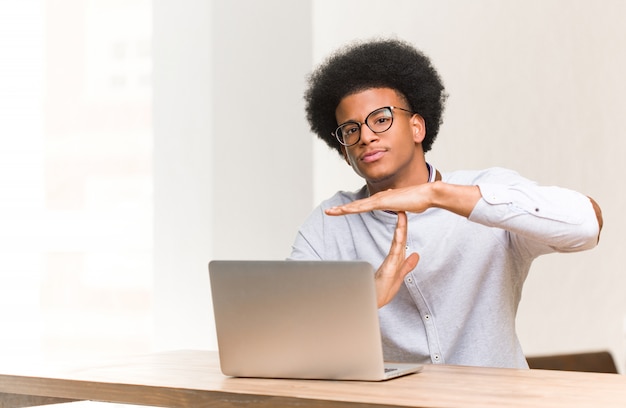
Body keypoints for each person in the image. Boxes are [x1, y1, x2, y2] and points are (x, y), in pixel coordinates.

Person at [289, 38, 603, 369]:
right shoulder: (330, 222)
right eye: (351, 129)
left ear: (417, 127)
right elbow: (285, 326)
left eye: (380, 119)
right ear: (344, 151)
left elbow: (586, 226)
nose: (366, 136)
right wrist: (364, 300)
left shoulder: (486, 192)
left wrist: (438, 194)